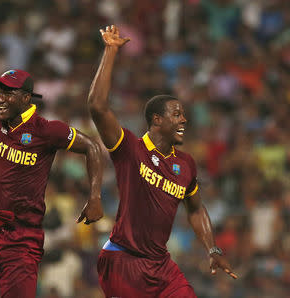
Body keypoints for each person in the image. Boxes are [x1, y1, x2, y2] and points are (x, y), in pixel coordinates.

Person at [88, 25, 237, 298]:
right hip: (123, 260)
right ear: (157, 119)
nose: (184, 120)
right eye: (177, 114)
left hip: (160, 265)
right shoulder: (130, 148)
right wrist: (110, 51)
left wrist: (212, 249)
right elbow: (98, 107)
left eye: (183, 114)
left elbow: (195, 209)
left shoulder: (186, 164)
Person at [0, 33, 104, 298]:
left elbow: (91, 146)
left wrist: (95, 197)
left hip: (21, 241)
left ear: (26, 98)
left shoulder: (46, 130)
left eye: (8, 92)